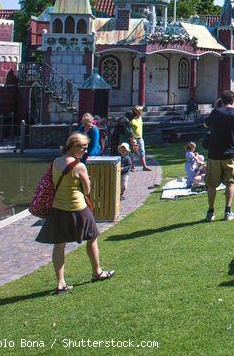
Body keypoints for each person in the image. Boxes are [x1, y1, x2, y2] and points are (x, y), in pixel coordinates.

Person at [36, 132, 114, 293]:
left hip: (58, 209)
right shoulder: (79, 166)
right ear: (74, 146)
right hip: (78, 208)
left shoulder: (56, 161)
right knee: (92, 238)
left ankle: (60, 283)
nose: (86, 151)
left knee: (59, 245)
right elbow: (87, 189)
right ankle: (97, 272)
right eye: (83, 148)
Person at [203, 89, 234, 222]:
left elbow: (206, 124)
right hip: (230, 153)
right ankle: (227, 211)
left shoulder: (216, 112)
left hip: (214, 154)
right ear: (232, 100)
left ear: (221, 100)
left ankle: (210, 212)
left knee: (211, 184)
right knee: (230, 183)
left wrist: (216, 108)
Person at [130, 106, 150, 171]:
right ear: (137, 112)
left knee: (142, 151)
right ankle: (132, 167)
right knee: (132, 152)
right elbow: (129, 129)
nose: (142, 111)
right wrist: (131, 139)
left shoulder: (140, 118)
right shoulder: (131, 119)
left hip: (140, 137)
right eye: (141, 110)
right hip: (134, 138)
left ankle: (144, 166)